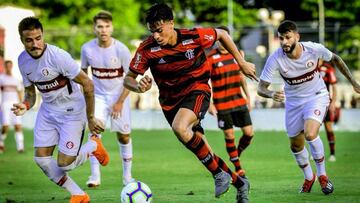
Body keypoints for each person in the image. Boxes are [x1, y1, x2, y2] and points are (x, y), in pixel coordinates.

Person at [124, 3, 257, 203]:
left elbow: (221, 34)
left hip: (197, 90)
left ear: (171, 23)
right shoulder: (147, 49)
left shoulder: (193, 36)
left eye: (159, 31)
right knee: (205, 151)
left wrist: (241, 62)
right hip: (170, 103)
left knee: (180, 127)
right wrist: (137, 86)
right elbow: (128, 78)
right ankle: (240, 183)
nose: (156, 36)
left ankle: (219, 175)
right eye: (153, 32)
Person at [12, 17, 109, 203]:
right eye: (29, 40)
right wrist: (24, 105)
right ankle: (79, 194)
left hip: (72, 112)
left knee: (64, 164)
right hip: (48, 112)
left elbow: (88, 84)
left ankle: (93, 146)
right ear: (22, 40)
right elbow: (30, 94)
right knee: (42, 160)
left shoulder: (58, 57)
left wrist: (90, 118)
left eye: (38, 38)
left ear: (43, 35)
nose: (35, 44)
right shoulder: (22, 61)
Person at [257, 20, 360, 195]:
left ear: (297, 36)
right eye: (281, 38)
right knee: (296, 146)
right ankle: (308, 177)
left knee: (311, 133)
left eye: (288, 37)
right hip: (293, 103)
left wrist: (353, 82)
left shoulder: (313, 49)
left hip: (317, 97)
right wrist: (271, 94)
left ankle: (323, 176)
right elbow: (261, 88)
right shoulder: (275, 58)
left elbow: (336, 58)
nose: (284, 42)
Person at [81, 10, 134, 187]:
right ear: (94, 28)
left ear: (112, 28)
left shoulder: (121, 49)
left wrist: (119, 102)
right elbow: (83, 76)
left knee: (124, 137)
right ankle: (94, 176)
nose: (103, 30)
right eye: (100, 26)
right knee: (95, 133)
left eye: (107, 26)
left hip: (119, 97)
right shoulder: (87, 48)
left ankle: (127, 177)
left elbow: (131, 78)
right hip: (98, 97)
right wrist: (86, 100)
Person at [207, 26, 254, 177]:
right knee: (229, 135)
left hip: (239, 100)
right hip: (221, 103)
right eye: (218, 40)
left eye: (224, 38)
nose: (221, 42)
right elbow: (205, 82)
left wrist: (248, 97)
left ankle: (235, 154)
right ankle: (238, 167)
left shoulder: (238, 55)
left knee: (249, 133)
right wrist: (210, 104)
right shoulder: (210, 58)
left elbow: (242, 77)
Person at [0, 60, 25, 153]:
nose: (9, 67)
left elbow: (19, 92)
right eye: (7, 66)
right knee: (5, 126)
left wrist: (21, 104)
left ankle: (20, 147)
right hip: (5, 104)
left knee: (18, 126)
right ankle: (1, 143)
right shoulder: (1, 78)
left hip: (15, 104)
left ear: (12, 66)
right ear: (5, 66)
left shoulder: (16, 79)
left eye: (10, 65)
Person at [319, 60, 338, 162]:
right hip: (312, 102)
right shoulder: (309, 67)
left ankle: (332, 154)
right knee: (313, 130)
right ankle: (317, 154)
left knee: (329, 128)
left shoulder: (328, 69)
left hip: (325, 102)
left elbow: (334, 86)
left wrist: (333, 102)